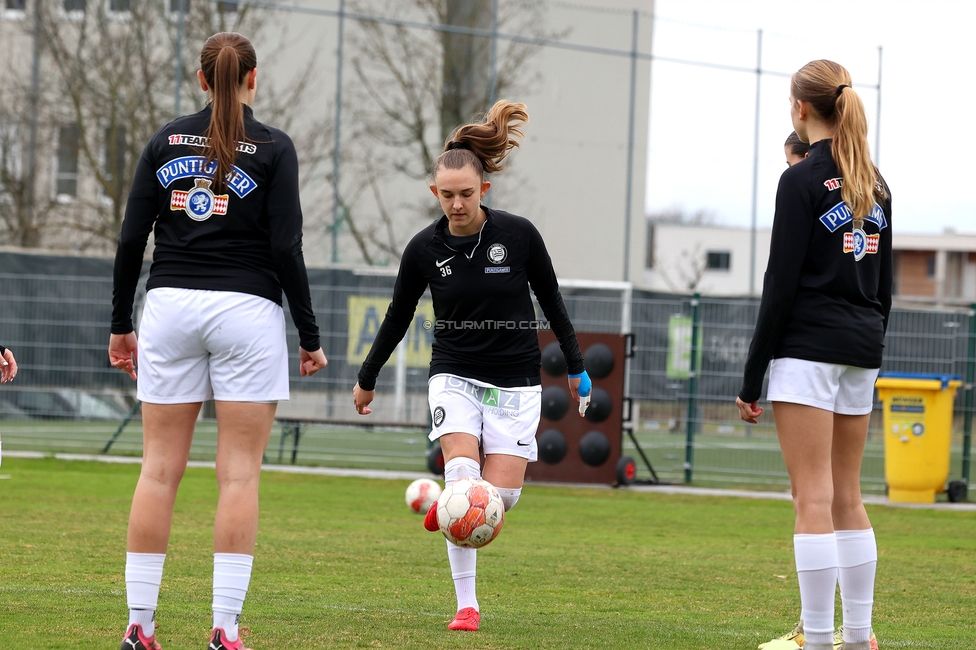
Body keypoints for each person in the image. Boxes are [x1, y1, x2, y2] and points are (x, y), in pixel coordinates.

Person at [109, 32, 326, 650]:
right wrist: (309, 337)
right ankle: (225, 629)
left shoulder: (164, 140)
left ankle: (140, 626)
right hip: (247, 312)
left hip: (170, 307)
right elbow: (286, 248)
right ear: (253, 79)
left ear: (202, 80)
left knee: (157, 473)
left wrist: (121, 325)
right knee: (237, 477)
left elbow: (130, 243)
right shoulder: (274, 148)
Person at [352, 100, 591, 633]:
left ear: (484, 190)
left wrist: (576, 368)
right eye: (446, 195)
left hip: (517, 380)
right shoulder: (422, 249)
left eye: (465, 194)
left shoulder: (520, 235)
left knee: (498, 501)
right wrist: (368, 376)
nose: (456, 204)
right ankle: (467, 605)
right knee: (464, 479)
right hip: (454, 374)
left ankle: (443, 502)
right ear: (434, 194)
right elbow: (397, 316)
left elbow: (552, 301)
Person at [737, 60, 890, 650]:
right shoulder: (876, 181)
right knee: (848, 496)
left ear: (801, 109)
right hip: (860, 350)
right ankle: (858, 637)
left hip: (808, 350)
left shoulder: (799, 181)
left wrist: (752, 378)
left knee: (814, 498)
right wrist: (871, 346)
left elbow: (780, 285)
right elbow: (885, 289)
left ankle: (821, 640)